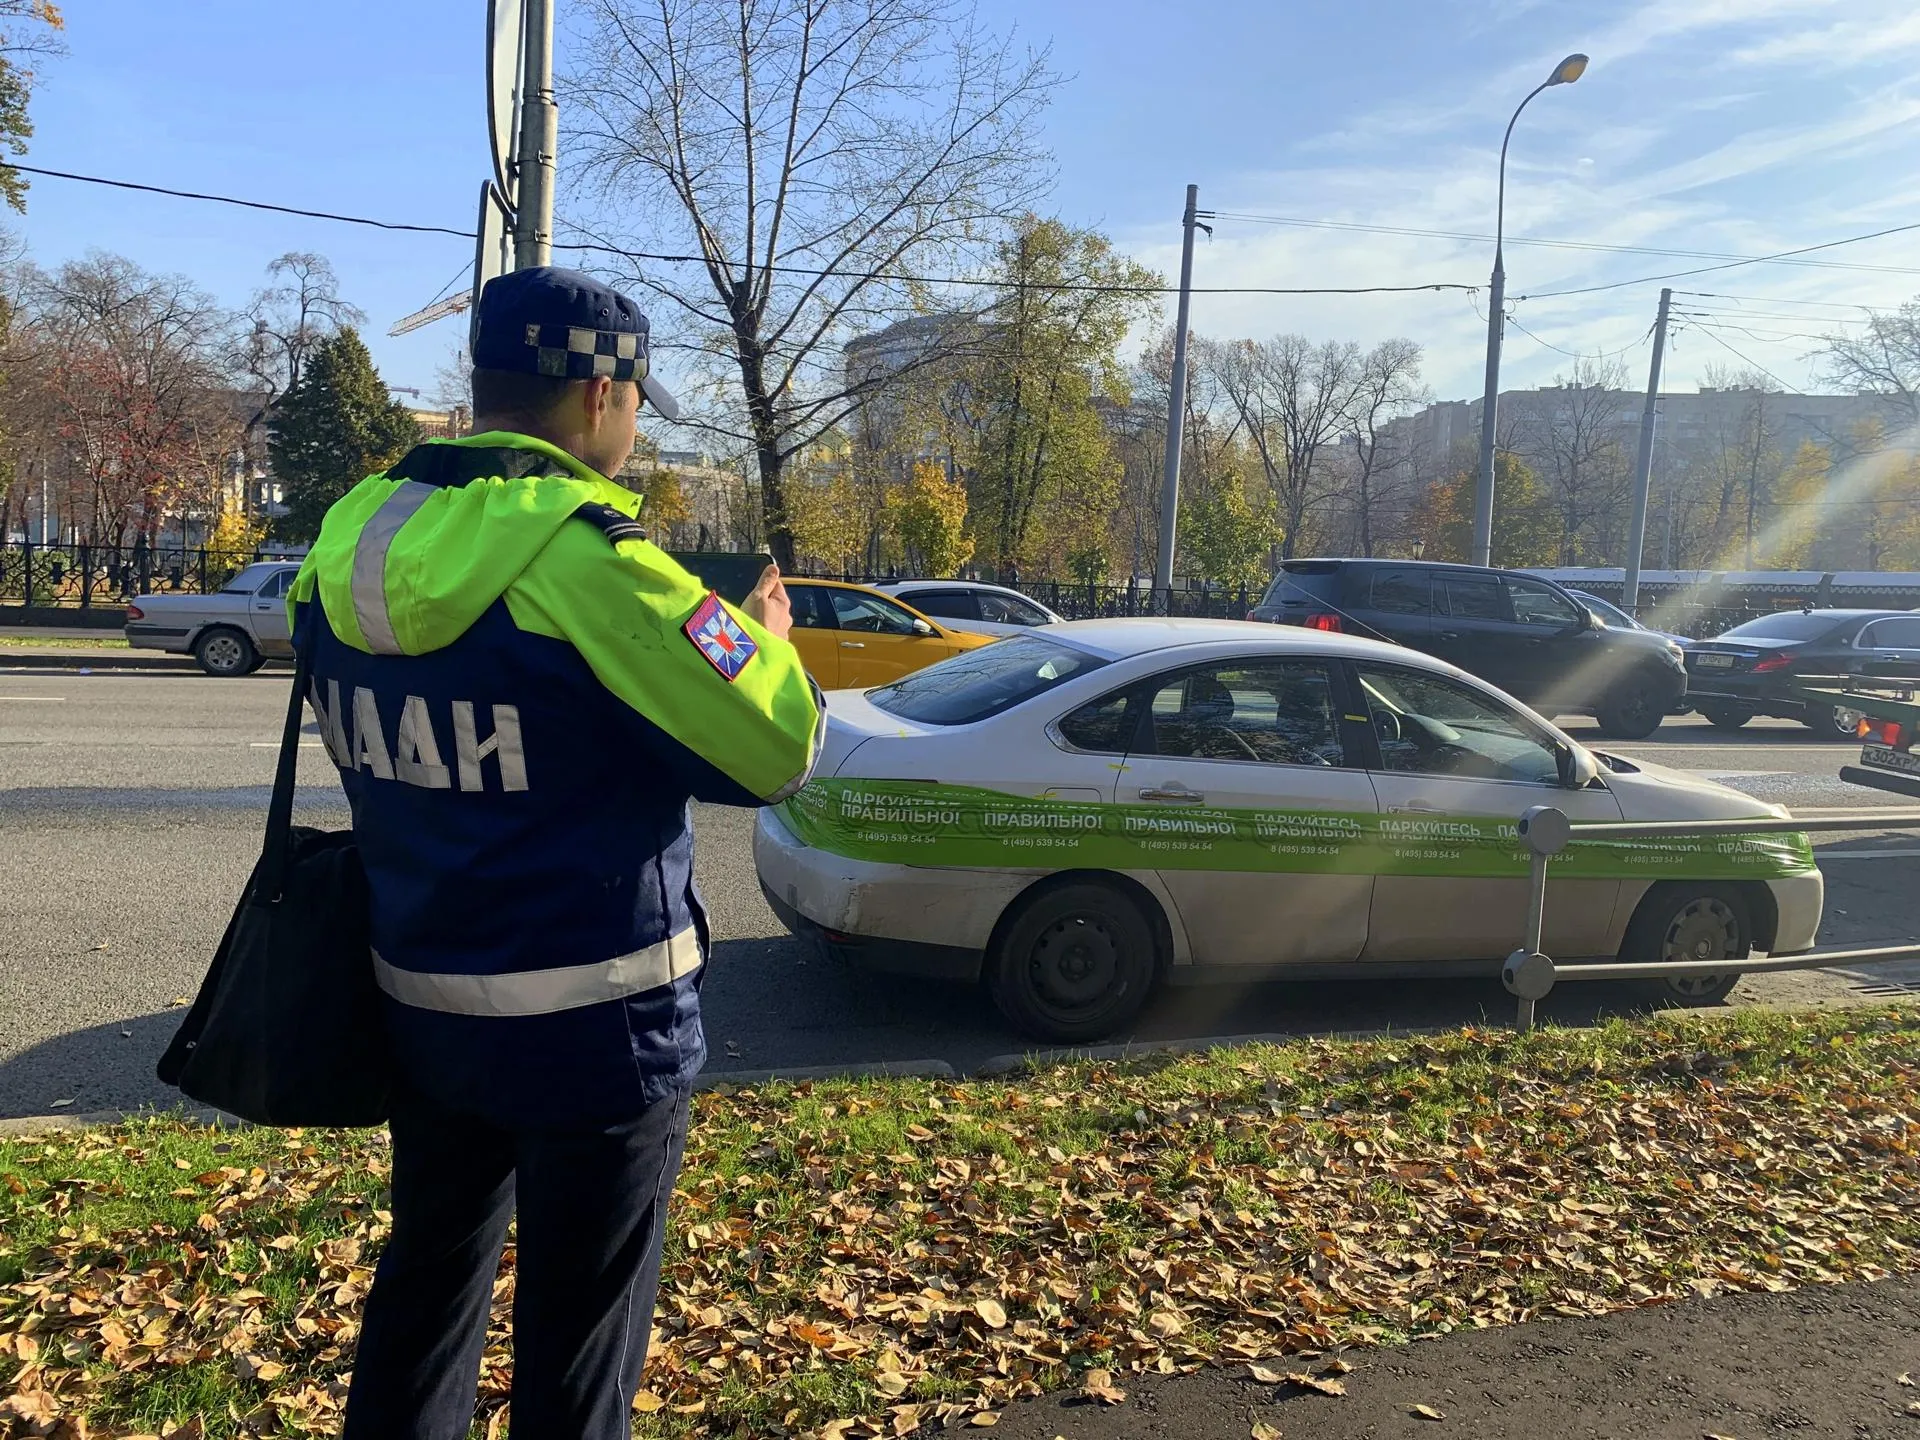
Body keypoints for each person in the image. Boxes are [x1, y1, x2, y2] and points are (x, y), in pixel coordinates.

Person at [286, 266, 823, 1438]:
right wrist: (763, 641)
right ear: (598, 397)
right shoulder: (593, 561)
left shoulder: (349, 537)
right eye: (636, 403)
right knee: (577, 1353)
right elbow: (776, 750)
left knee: (424, 1295)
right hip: (598, 1029)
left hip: (421, 1007)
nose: (633, 428)